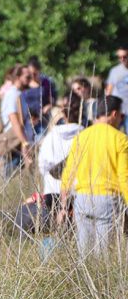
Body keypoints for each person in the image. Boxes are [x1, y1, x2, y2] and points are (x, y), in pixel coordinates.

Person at [60, 96, 128, 256]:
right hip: (107, 200)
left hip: (82, 199)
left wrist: (63, 205)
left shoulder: (81, 136)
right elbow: (124, 176)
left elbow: (68, 172)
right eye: (121, 116)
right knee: (103, 256)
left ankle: (82, 281)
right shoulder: (120, 139)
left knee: (83, 254)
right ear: (114, 114)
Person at [37, 95, 83, 212]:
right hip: (79, 193)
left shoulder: (51, 137)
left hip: (52, 191)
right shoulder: (87, 136)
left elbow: (42, 166)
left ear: (64, 114)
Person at [0, 64, 33, 168]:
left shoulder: (19, 94)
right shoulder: (13, 94)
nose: (30, 80)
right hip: (14, 143)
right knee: (12, 175)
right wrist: (24, 143)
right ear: (17, 77)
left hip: (18, 141)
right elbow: (14, 121)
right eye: (27, 77)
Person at [25, 56, 57, 130]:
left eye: (35, 73)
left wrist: (49, 106)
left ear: (39, 71)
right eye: (30, 74)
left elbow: (52, 99)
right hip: (28, 120)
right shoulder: (25, 84)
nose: (32, 76)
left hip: (43, 119)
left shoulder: (46, 82)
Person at [105, 44, 128, 126]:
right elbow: (109, 90)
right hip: (117, 110)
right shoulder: (115, 71)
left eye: (125, 56)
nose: (122, 59)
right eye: (119, 57)